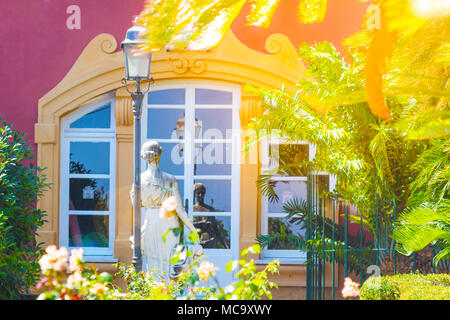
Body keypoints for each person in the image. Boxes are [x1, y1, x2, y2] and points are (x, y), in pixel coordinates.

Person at [130, 140, 200, 279]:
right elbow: (180, 209)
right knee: (170, 263)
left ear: (144, 157)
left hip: (151, 220)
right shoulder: (170, 179)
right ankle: (170, 293)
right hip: (169, 221)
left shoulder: (139, 180)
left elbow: (136, 205)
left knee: (154, 266)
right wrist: (193, 230)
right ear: (160, 154)